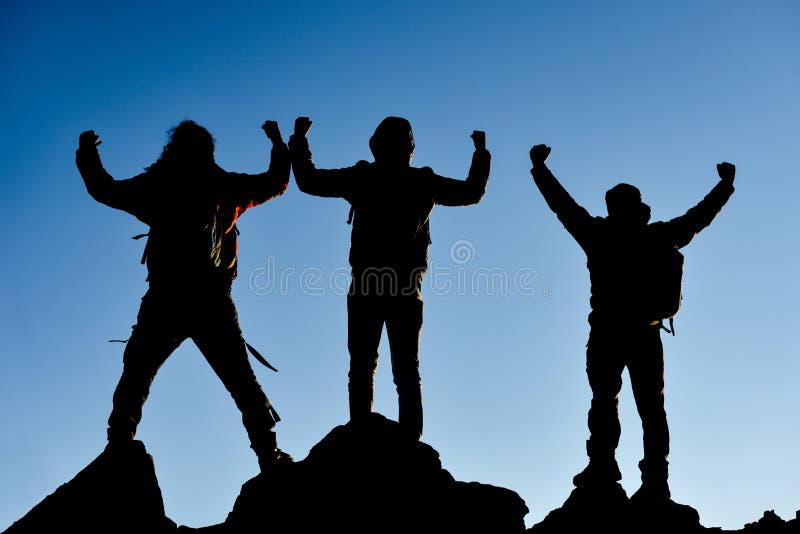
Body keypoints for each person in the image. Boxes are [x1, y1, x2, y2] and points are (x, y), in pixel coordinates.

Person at [75, 119, 292, 471]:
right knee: (242, 382)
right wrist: (278, 142)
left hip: (166, 298)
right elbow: (276, 182)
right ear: (209, 150)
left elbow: (105, 190)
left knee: (136, 374)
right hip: (211, 300)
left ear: (172, 148)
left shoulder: (158, 185)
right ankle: (270, 455)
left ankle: (118, 446)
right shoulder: (224, 185)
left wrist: (88, 154)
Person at [529, 144, 735, 502]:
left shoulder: (599, 235)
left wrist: (540, 169)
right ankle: (647, 476)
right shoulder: (655, 236)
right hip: (641, 332)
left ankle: (613, 469)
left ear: (612, 208)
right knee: (644, 407)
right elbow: (698, 217)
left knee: (612, 402)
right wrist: (724, 186)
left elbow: (562, 206)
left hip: (611, 331)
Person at [289, 116, 490, 439]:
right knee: (404, 371)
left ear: (376, 145)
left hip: (369, 284)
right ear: (409, 148)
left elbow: (309, 180)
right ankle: (407, 444)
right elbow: (471, 192)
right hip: (405, 288)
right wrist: (480, 153)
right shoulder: (420, 182)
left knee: (364, 367)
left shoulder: (363, 177)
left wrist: (299, 140)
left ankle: (361, 436)